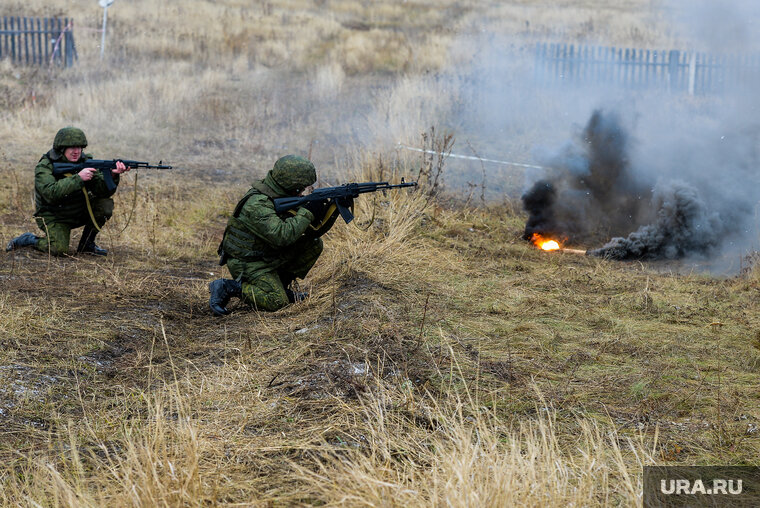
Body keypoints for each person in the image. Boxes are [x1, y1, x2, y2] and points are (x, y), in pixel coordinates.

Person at [209, 154, 345, 315]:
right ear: (290, 184)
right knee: (277, 301)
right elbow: (282, 236)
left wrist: (333, 207)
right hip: (247, 262)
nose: (302, 191)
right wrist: (307, 212)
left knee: (313, 244)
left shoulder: (279, 194)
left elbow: (312, 230)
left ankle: (279, 287)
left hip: (265, 254)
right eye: (300, 188)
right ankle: (228, 287)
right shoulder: (257, 203)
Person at [5, 127, 130, 256]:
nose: (76, 151)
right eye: (72, 147)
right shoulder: (45, 166)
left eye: (79, 147)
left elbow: (102, 192)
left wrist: (112, 175)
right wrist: (78, 179)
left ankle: (87, 244)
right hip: (54, 216)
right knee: (58, 249)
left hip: (78, 210)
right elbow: (50, 193)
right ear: (62, 148)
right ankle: (28, 239)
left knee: (105, 205)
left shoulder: (86, 162)